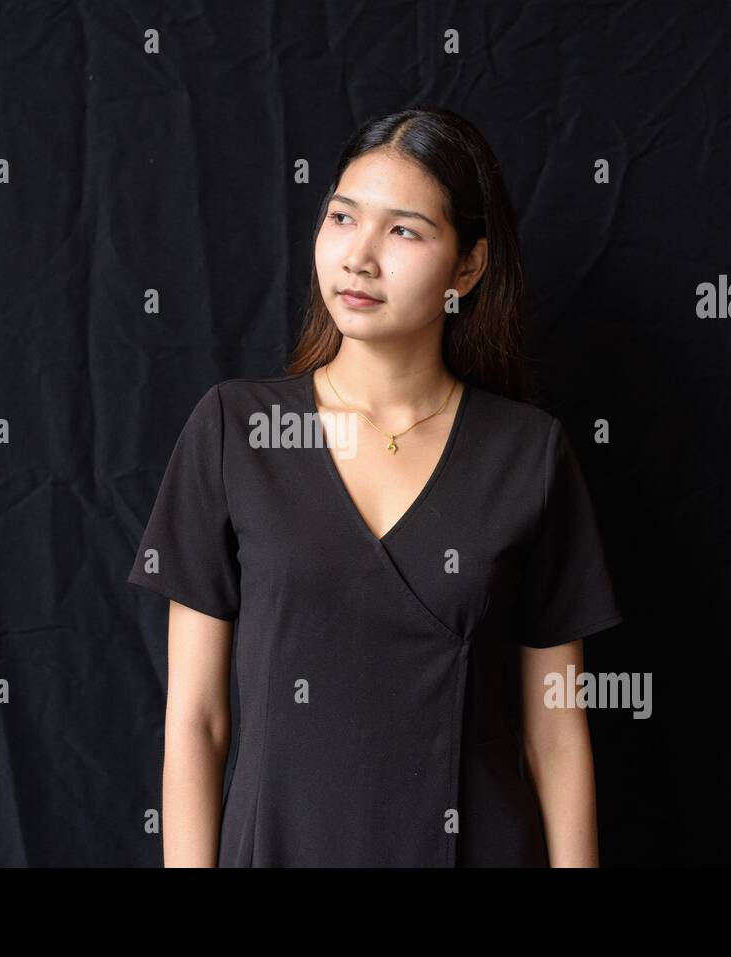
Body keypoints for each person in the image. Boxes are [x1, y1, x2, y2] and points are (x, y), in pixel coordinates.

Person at [127, 106, 624, 867]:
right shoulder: (234, 430)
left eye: (404, 232)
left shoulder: (529, 454)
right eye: (342, 217)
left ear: (468, 267)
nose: (359, 257)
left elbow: (555, 730)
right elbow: (196, 719)